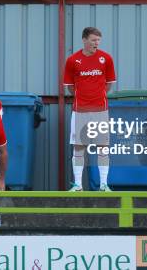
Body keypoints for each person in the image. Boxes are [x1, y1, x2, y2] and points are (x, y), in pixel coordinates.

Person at [63, 27, 116, 191]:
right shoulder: (73, 60)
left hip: (100, 109)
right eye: (93, 40)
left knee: (103, 146)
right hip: (80, 110)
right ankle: (78, 184)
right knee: (79, 146)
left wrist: (98, 96)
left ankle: (104, 184)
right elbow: (69, 86)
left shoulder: (106, 58)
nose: (96, 43)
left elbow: (109, 83)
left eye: (98, 40)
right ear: (84, 40)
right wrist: (83, 97)